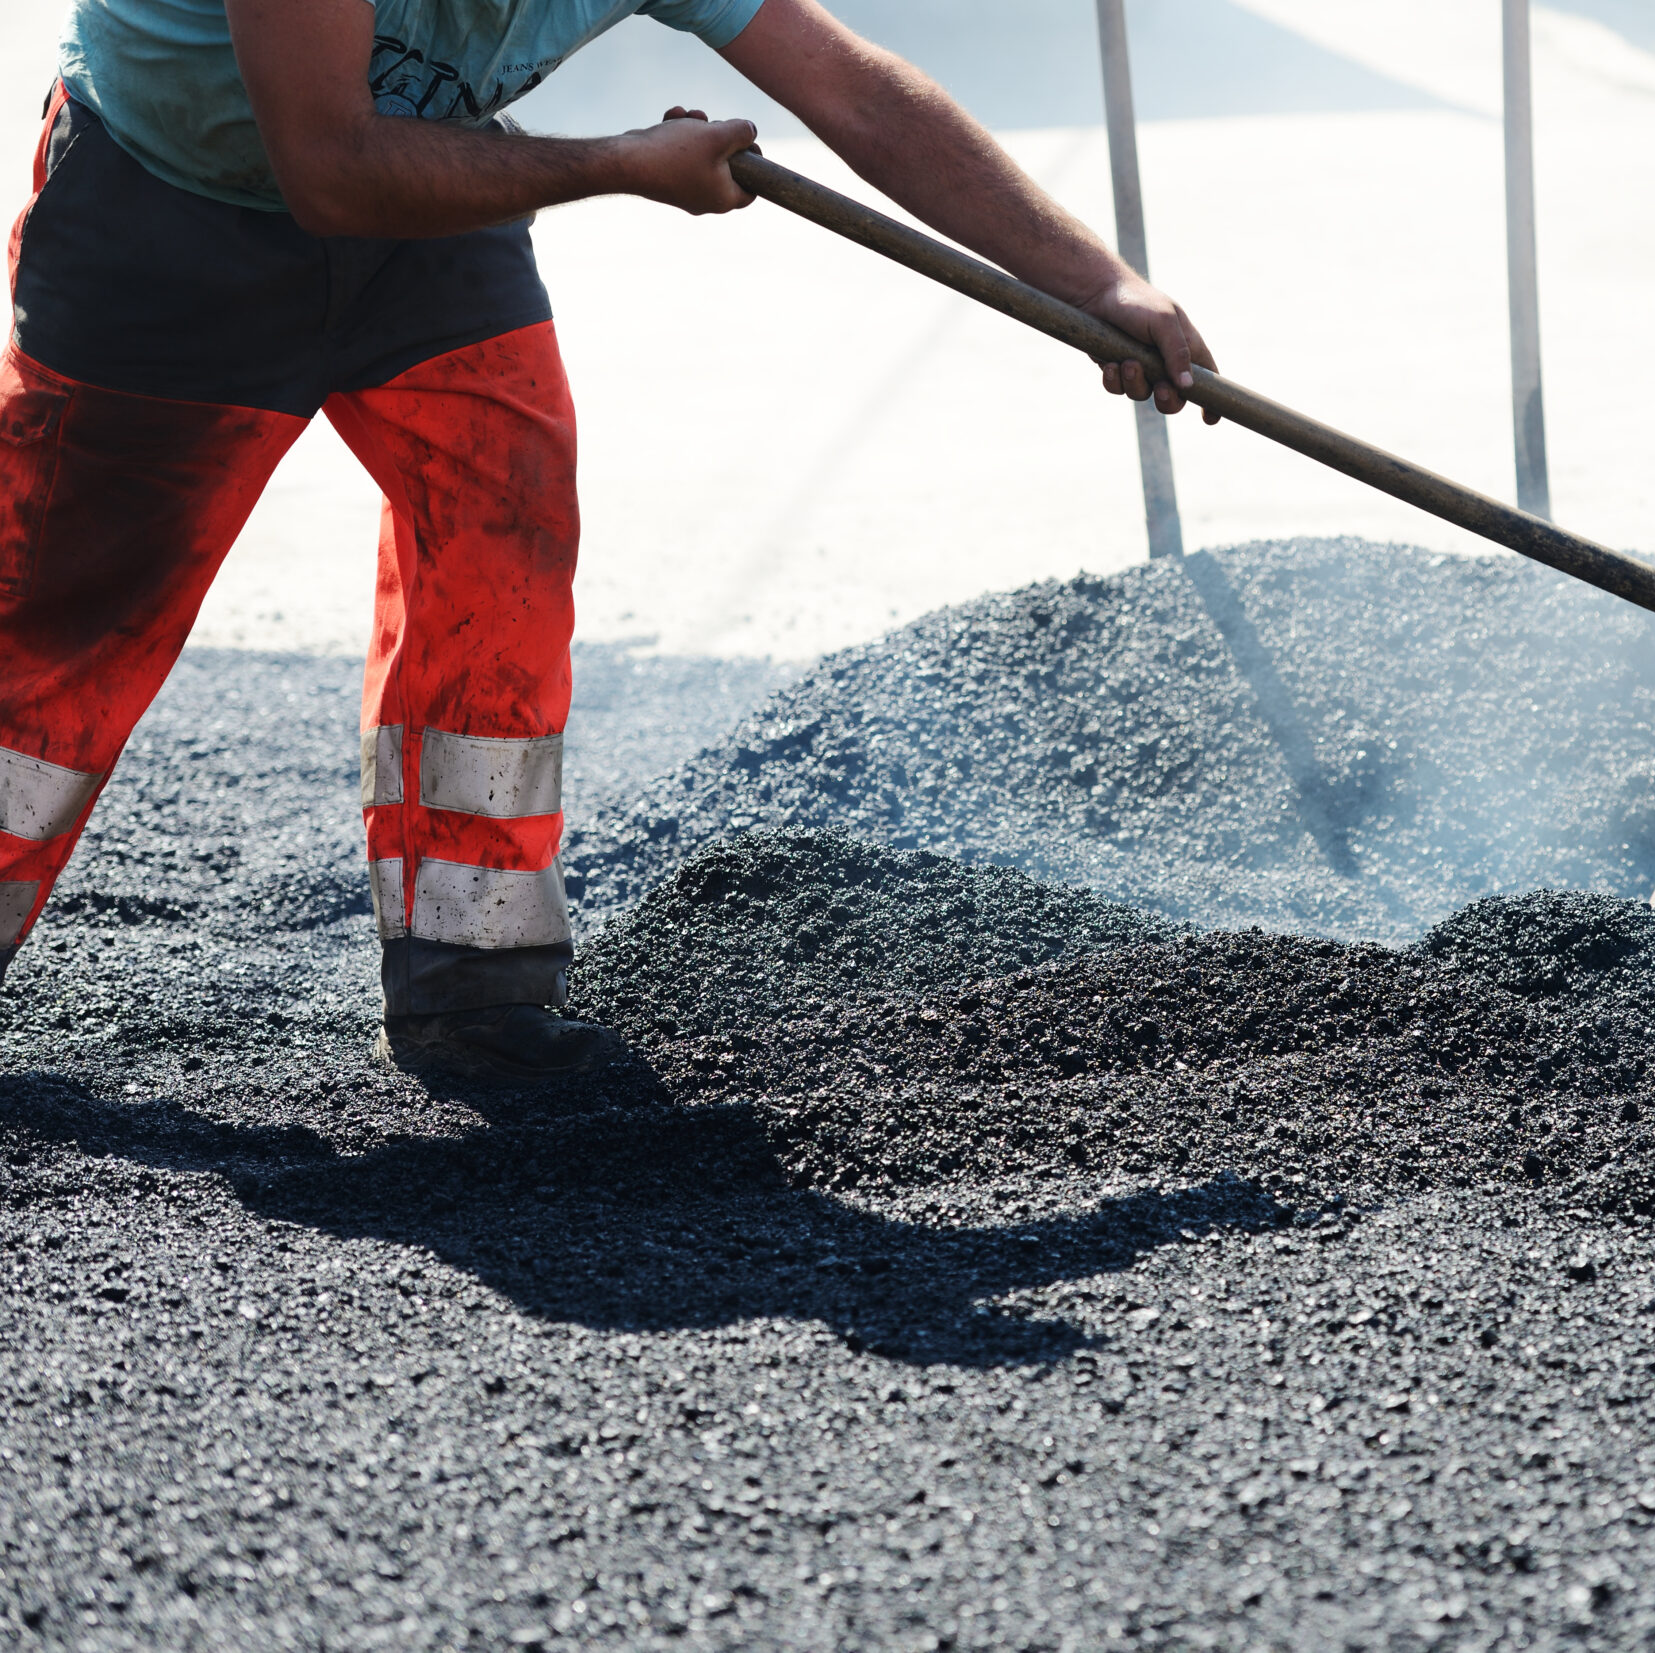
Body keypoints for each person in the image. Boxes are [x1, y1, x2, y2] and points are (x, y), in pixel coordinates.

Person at [1, 0, 1215, 1080]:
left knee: (506, 532)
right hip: (173, 214)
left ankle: (472, 981)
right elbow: (331, 168)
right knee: (61, 619)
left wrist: (1096, 284)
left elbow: (849, 86)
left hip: (424, 222)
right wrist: (621, 165)